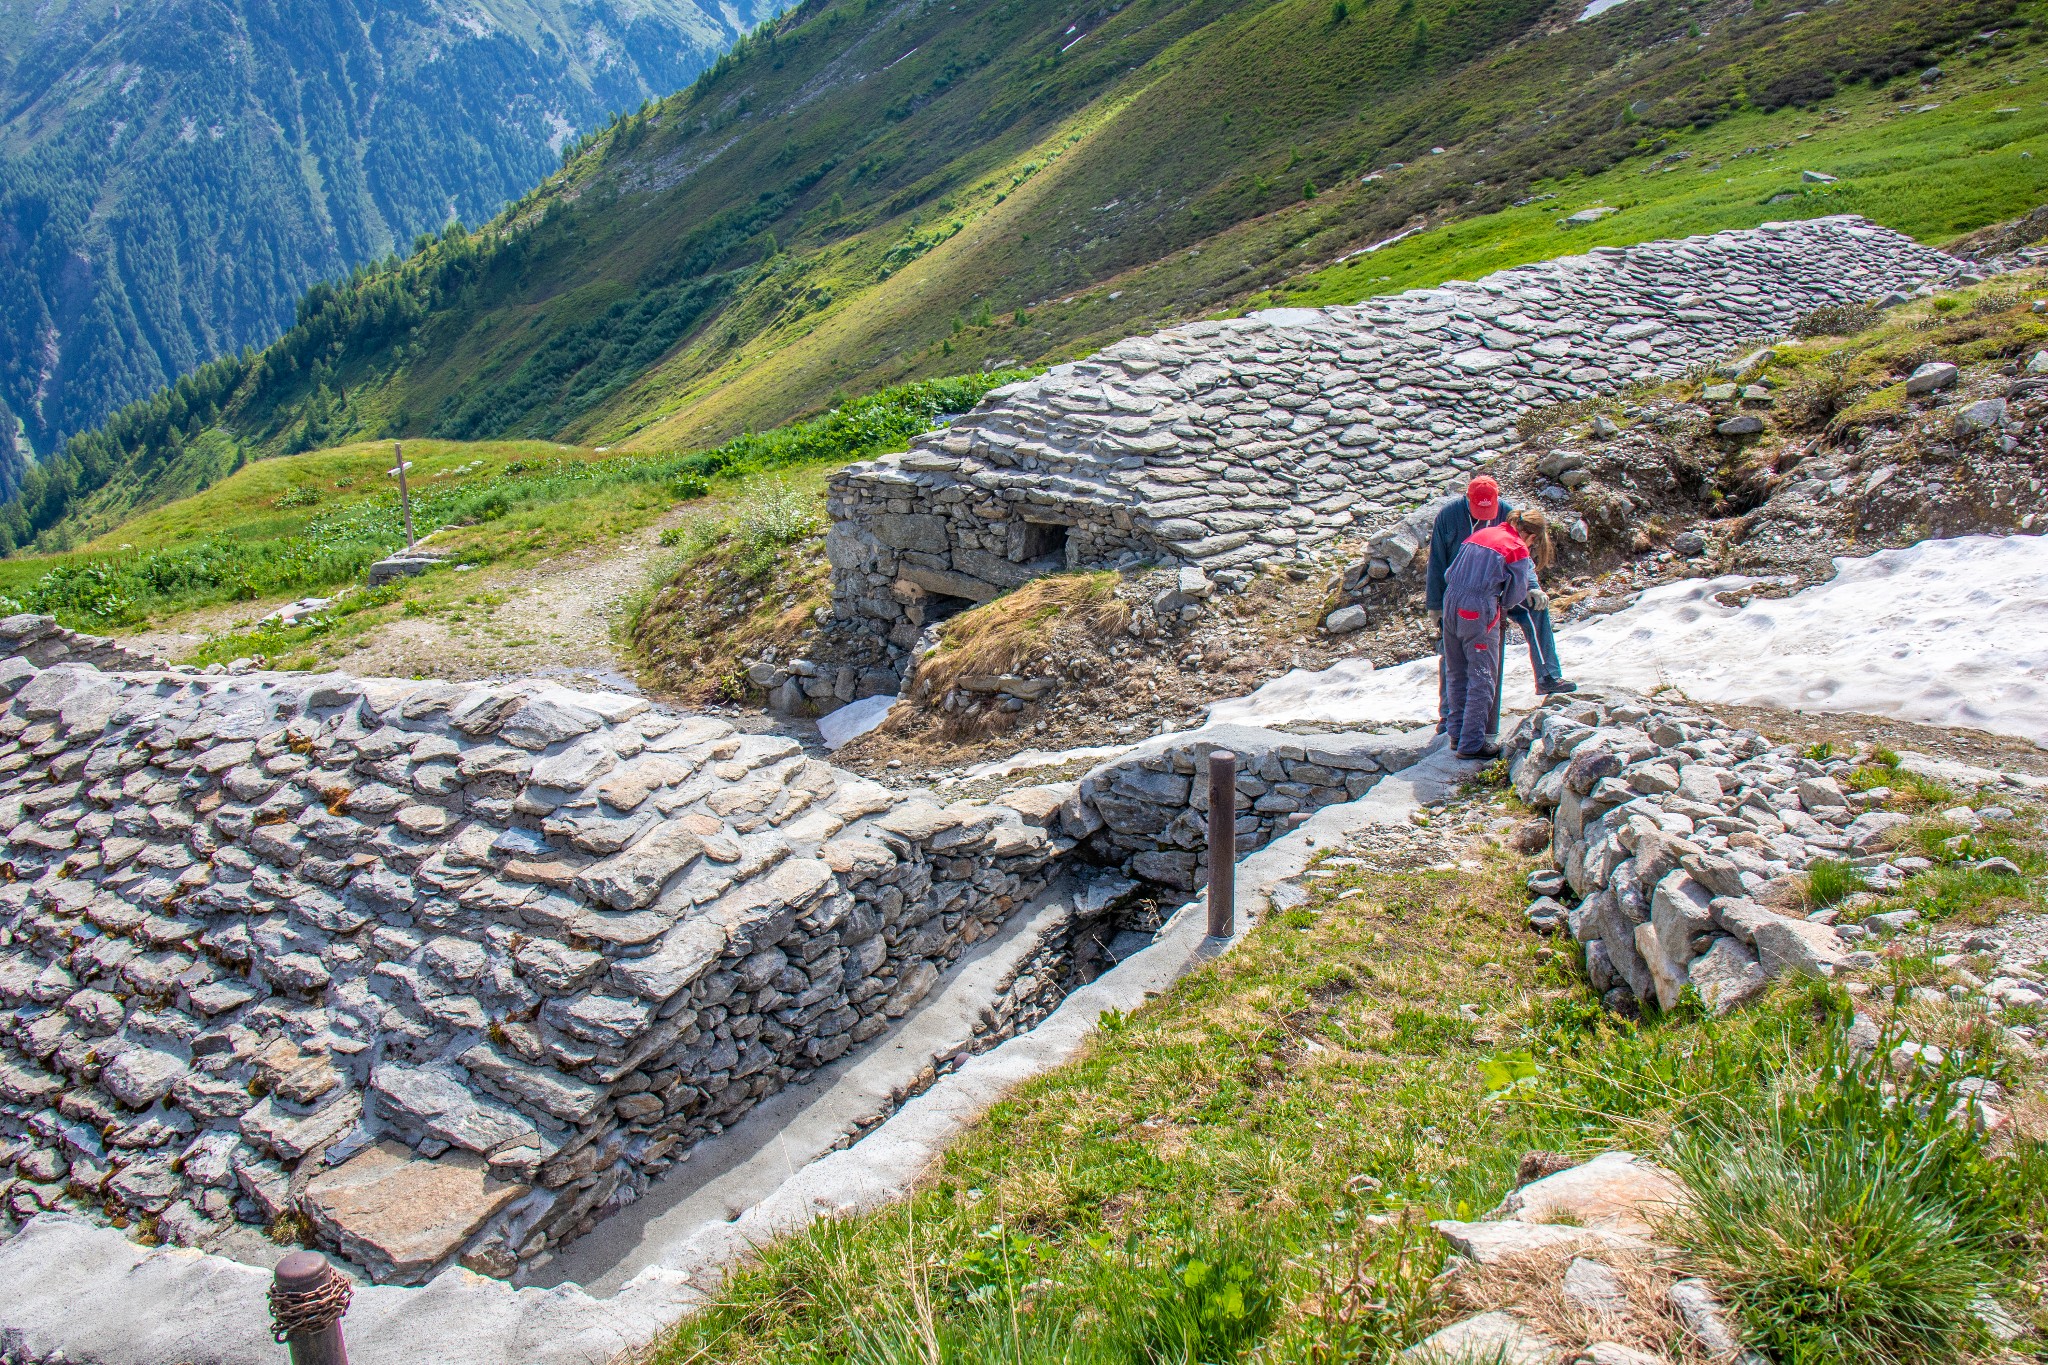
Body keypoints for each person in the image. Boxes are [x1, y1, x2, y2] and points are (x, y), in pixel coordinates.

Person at [1440, 519, 1536, 759]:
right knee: (1482, 676)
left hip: (1450, 602)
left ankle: (1456, 734)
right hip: (1477, 609)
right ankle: (1472, 744)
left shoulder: (1481, 534)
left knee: (1456, 671)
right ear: (1529, 534)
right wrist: (1500, 603)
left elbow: (1448, 573)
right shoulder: (1516, 547)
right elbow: (1515, 594)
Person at [1427, 476, 1509, 743]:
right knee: (1452, 660)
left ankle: (1548, 675)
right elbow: (1437, 562)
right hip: (1456, 598)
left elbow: (1519, 558)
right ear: (1467, 499)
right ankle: (1450, 719)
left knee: (1479, 665)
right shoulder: (1448, 516)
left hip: (1492, 598)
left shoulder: (1507, 513)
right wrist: (1435, 606)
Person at [1505, 507, 1576, 697]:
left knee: (1536, 605)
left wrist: (1533, 588)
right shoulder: (1513, 539)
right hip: (1496, 591)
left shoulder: (1510, 533)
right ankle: (1548, 677)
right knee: (1534, 611)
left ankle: (1548, 676)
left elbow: (1525, 565)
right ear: (1531, 536)